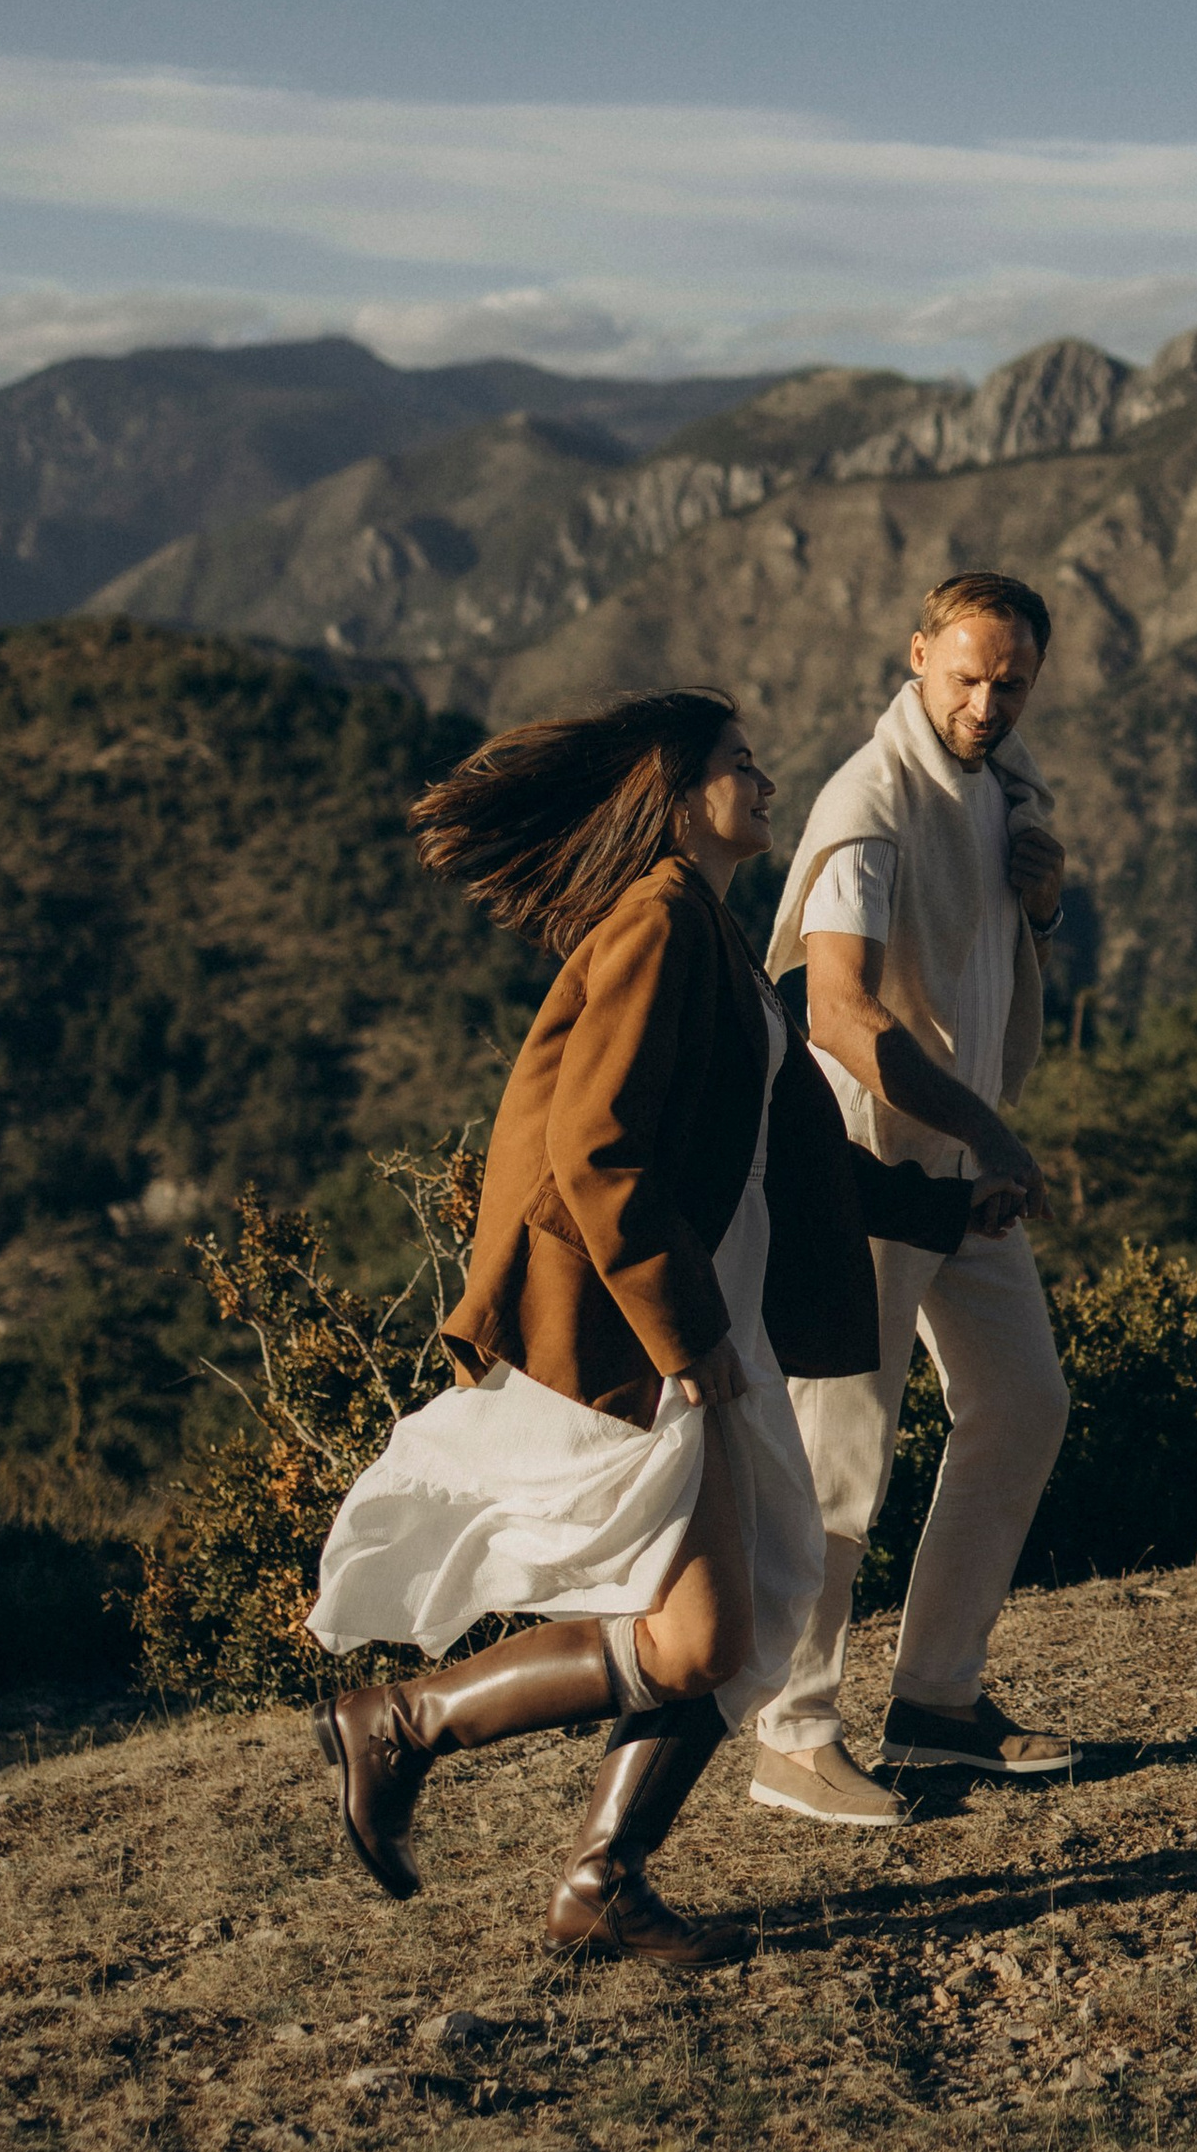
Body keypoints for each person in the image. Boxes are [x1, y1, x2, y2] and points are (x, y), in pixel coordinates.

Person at [305, 691, 988, 1966]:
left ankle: (589, 1878)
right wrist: (686, 1341)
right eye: (740, 763)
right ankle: (411, 1732)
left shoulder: (711, 935)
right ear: (673, 794)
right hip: (641, 1329)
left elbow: (792, 1163)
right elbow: (593, 1146)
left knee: (733, 1623)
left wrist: (937, 1206)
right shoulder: (659, 922)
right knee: (717, 1631)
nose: (768, 781)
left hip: (697, 1319)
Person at [749, 571, 1074, 1827]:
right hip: (865, 1173)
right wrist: (988, 1127)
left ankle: (936, 1702)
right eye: (968, 676)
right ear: (918, 655)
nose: (988, 703)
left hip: (956, 1181)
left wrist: (1039, 901)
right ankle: (791, 1735)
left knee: (1022, 1404)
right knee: (837, 1462)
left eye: (1011, 684)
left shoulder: (1001, 788)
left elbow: (985, 955)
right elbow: (837, 1009)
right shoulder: (870, 803)